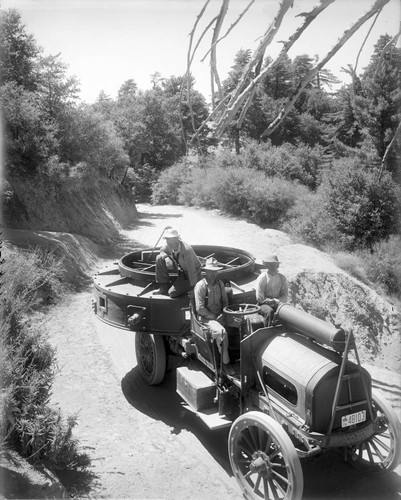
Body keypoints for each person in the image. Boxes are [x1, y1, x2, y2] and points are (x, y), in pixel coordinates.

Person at [194, 257, 235, 376]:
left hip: (220, 316)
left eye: (215, 271)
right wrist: (213, 316)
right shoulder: (200, 286)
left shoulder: (220, 284)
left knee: (244, 323)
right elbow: (199, 309)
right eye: (210, 272)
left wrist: (223, 313)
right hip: (207, 319)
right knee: (221, 332)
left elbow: (225, 302)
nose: (212, 274)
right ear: (206, 272)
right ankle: (226, 364)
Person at [154, 228, 202, 298]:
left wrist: (194, 288)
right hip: (180, 270)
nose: (170, 242)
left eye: (171, 240)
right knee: (159, 258)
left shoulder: (186, 251)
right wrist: (166, 258)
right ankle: (163, 287)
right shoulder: (169, 245)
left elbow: (192, 271)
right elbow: (162, 250)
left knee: (172, 293)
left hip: (190, 274)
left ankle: (189, 287)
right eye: (167, 240)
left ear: (177, 239)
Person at [256, 255, 288, 326]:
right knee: (269, 312)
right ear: (266, 265)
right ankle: (268, 331)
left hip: (278, 303)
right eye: (270, 265)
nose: (273, 267)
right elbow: (259, 298)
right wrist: (268, 301)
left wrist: (275, 301)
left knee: (289, 312)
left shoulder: (283, 278)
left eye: (275, 264)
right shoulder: (262, 278)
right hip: (263, 304)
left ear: (278, 265)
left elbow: (285, 297)